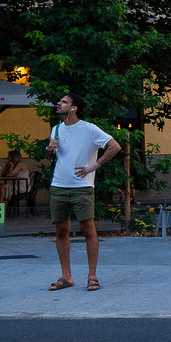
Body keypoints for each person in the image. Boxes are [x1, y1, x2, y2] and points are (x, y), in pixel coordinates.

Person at [46, 93, 120, 292]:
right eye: (59, 101)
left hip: (82, 186)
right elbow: (53, 156)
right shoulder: (56, 129)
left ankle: (92, 276)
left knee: (88, 230)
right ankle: (66, 277)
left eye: (63, 102)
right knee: (61, 231)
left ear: (74, 108)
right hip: (59, 185)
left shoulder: (89, 129)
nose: (58, 104)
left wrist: (93, 166)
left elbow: (114, 146)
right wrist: (49, 148)